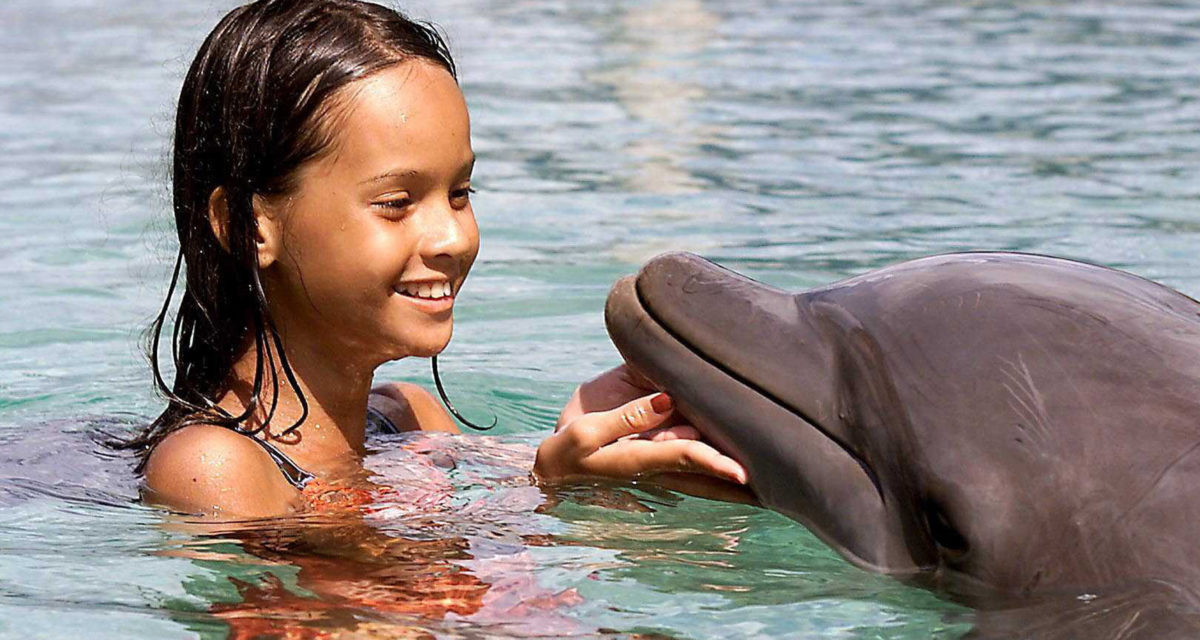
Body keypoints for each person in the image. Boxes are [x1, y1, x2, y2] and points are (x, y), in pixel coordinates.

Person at [121, 0, 752, 519]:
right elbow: (355, 609)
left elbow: (534, 480)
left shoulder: (411, 422)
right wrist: (557, 498)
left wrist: (602, 433)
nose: (453, 238)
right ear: (245, 225)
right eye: (396, 203)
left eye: (460, 193)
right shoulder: (212, 468)